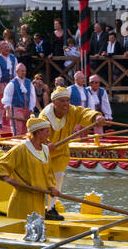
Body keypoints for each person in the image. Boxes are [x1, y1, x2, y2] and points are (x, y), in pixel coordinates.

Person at [40, 86, 106, 217]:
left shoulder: (71, 111)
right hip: (43, 151)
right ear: (54, 102)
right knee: (42, 180)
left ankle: (51, 208)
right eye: (62, 101)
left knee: (58, 178)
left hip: (61, 151)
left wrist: (96, 117)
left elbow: (83, 113)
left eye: (67, 101)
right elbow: (38, 133)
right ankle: (39, 207)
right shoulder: (44, 116)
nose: (66, 104)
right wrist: (46, 143)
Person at [0, 117, 55, 221]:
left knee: (36, 229)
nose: (49, 134)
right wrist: (8, 179)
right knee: (22, 229)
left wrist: (52, 187)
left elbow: (49, 172)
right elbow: (1, 164)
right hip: (23, 198)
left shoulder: (45, 150)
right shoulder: (21, 148)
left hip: (39, 198)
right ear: (38, 132)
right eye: (47, 131)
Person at [2, 63, 39, 135]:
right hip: (16, 109)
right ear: (17, 71)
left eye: (24, 71)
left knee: (26, 129)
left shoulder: (29, 82)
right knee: (17, 129)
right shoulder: (12, 84)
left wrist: (31, 109)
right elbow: (7, 97)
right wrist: (7, 111)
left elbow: (32, 97)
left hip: (26, 109)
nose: (23, 73)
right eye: (22, 71)